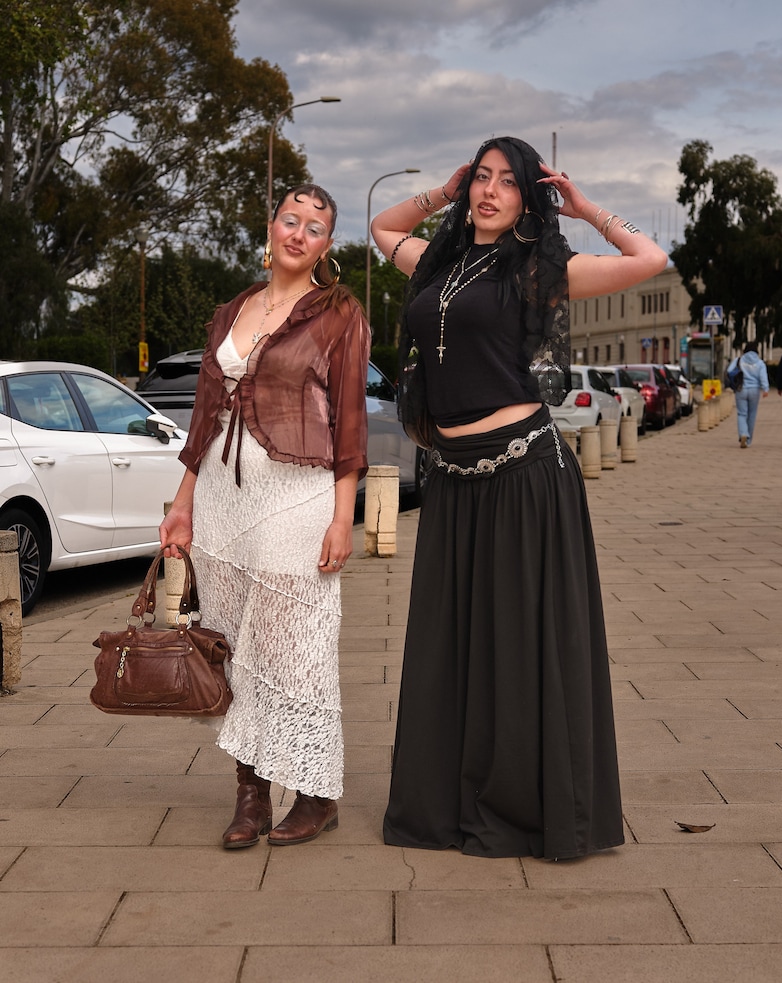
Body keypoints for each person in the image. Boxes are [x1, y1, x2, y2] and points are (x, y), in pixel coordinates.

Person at [371, 136, 668, 859]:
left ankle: (525, 810)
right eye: (482, 177)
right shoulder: (436, 263)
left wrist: (586, 208)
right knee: (451, 650)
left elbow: (650, 259)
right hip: (453, 483)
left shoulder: (544, 269)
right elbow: (382, 227)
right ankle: (448, 805)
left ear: (529, 197)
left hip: (523, 478)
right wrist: (439, 192)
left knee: (517, 650)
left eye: (507, 181)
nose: (489, 190)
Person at [159, 184, 371, 848]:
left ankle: (315, 791)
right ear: (272, 227)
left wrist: (343, 517)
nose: (299, 233)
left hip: (297, 493)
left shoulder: (339, 313)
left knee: (295, 645)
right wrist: (183, 504)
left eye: (316, 226)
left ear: (327, 245)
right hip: (224, 497)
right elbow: (203, 416)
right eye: (290, 219)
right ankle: (250, 796)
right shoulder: (232, 310)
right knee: (231, 645)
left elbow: (350, 421)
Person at [729, 341, 769, 448]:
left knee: (741, 414)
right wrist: (765, 389)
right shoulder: (760, 363)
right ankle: (748, 440)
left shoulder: (739, 360)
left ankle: (743, 433)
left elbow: (729, 371)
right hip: (754, 390)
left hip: (741, 389)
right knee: (752, 414)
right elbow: (763, 377)